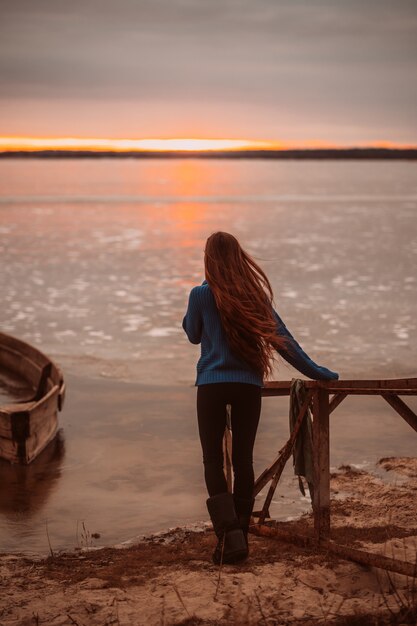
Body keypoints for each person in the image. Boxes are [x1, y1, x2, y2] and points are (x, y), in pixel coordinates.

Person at [182, 231, 338, 565]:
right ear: (239, 258)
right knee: (243, 461)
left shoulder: (200, 295)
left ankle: (229, 537)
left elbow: (193, 334)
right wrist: (318, 373)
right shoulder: (254, 297)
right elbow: (285, 341)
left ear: (208, 259)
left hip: (211, 385)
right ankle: (241, 538)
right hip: (247, 386)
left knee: (212, 460)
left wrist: (202, 292)